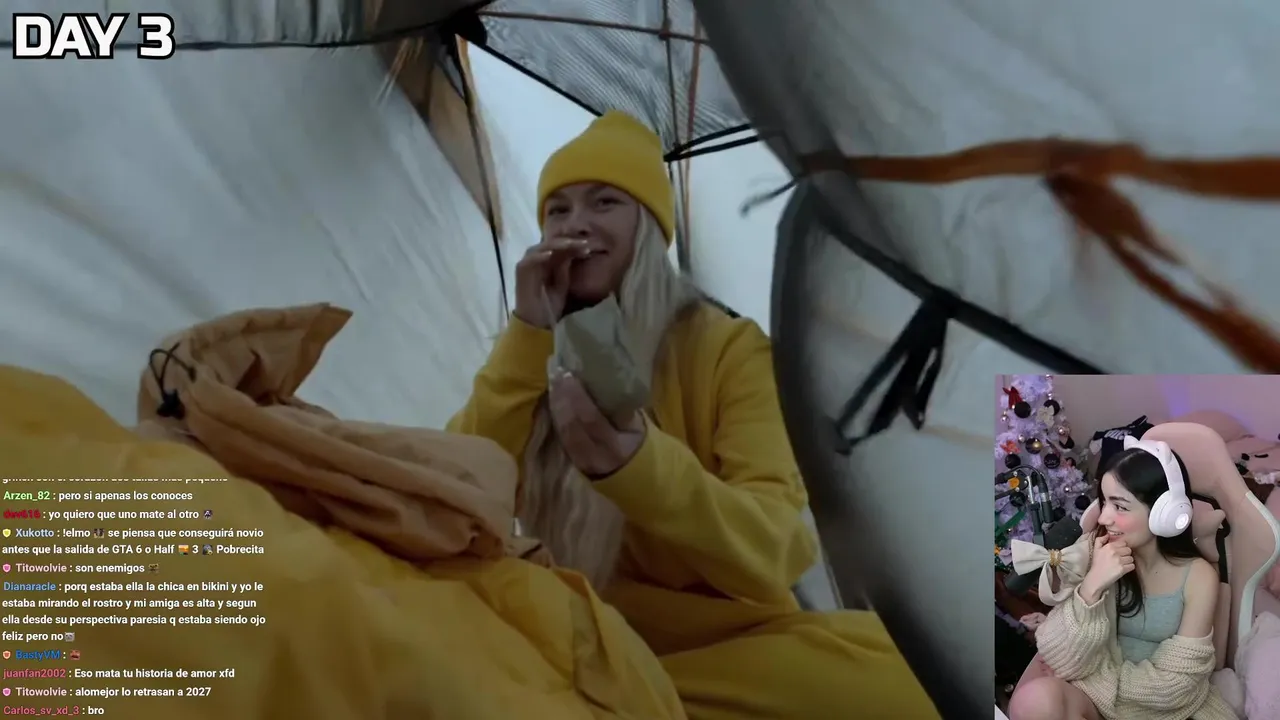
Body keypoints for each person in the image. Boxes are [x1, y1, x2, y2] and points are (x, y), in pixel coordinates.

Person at [447, 110, 938, 719]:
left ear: (650, 227)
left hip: (734, 649)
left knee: (899, 681)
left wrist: (638, 467)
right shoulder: (534, 353)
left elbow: (775, 549)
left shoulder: (727, 350)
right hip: (588, 645)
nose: (576, 224)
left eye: (604, 202)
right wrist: (526, 334)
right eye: (558, 209)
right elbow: (452, 490)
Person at [1007, 440, 1235, 720]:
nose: (1104, 517)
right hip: (1093, 702)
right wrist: (1091, 587)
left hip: (1165, 710)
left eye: (1120, 506)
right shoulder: (1094, 550)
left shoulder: (1199, 576)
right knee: (1033, 702)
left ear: (1165, 513)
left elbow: (1178, 684)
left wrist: (1092, 678)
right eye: (1104, 502)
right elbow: (1055, 652)